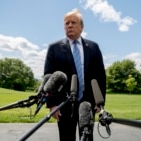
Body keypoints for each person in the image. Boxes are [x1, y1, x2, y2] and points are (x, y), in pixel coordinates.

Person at [44, 8, 106, 141]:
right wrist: (52, 104)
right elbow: (49, 77)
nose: (69, 25)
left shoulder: (93, 47)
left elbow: (100, 76)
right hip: (64, 104)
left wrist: (100, 102)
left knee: (87, 137)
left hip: (87, 104)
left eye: (73, 22)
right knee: (66, 138)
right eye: (67, 23)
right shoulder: (54, 48)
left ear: (82, 27)